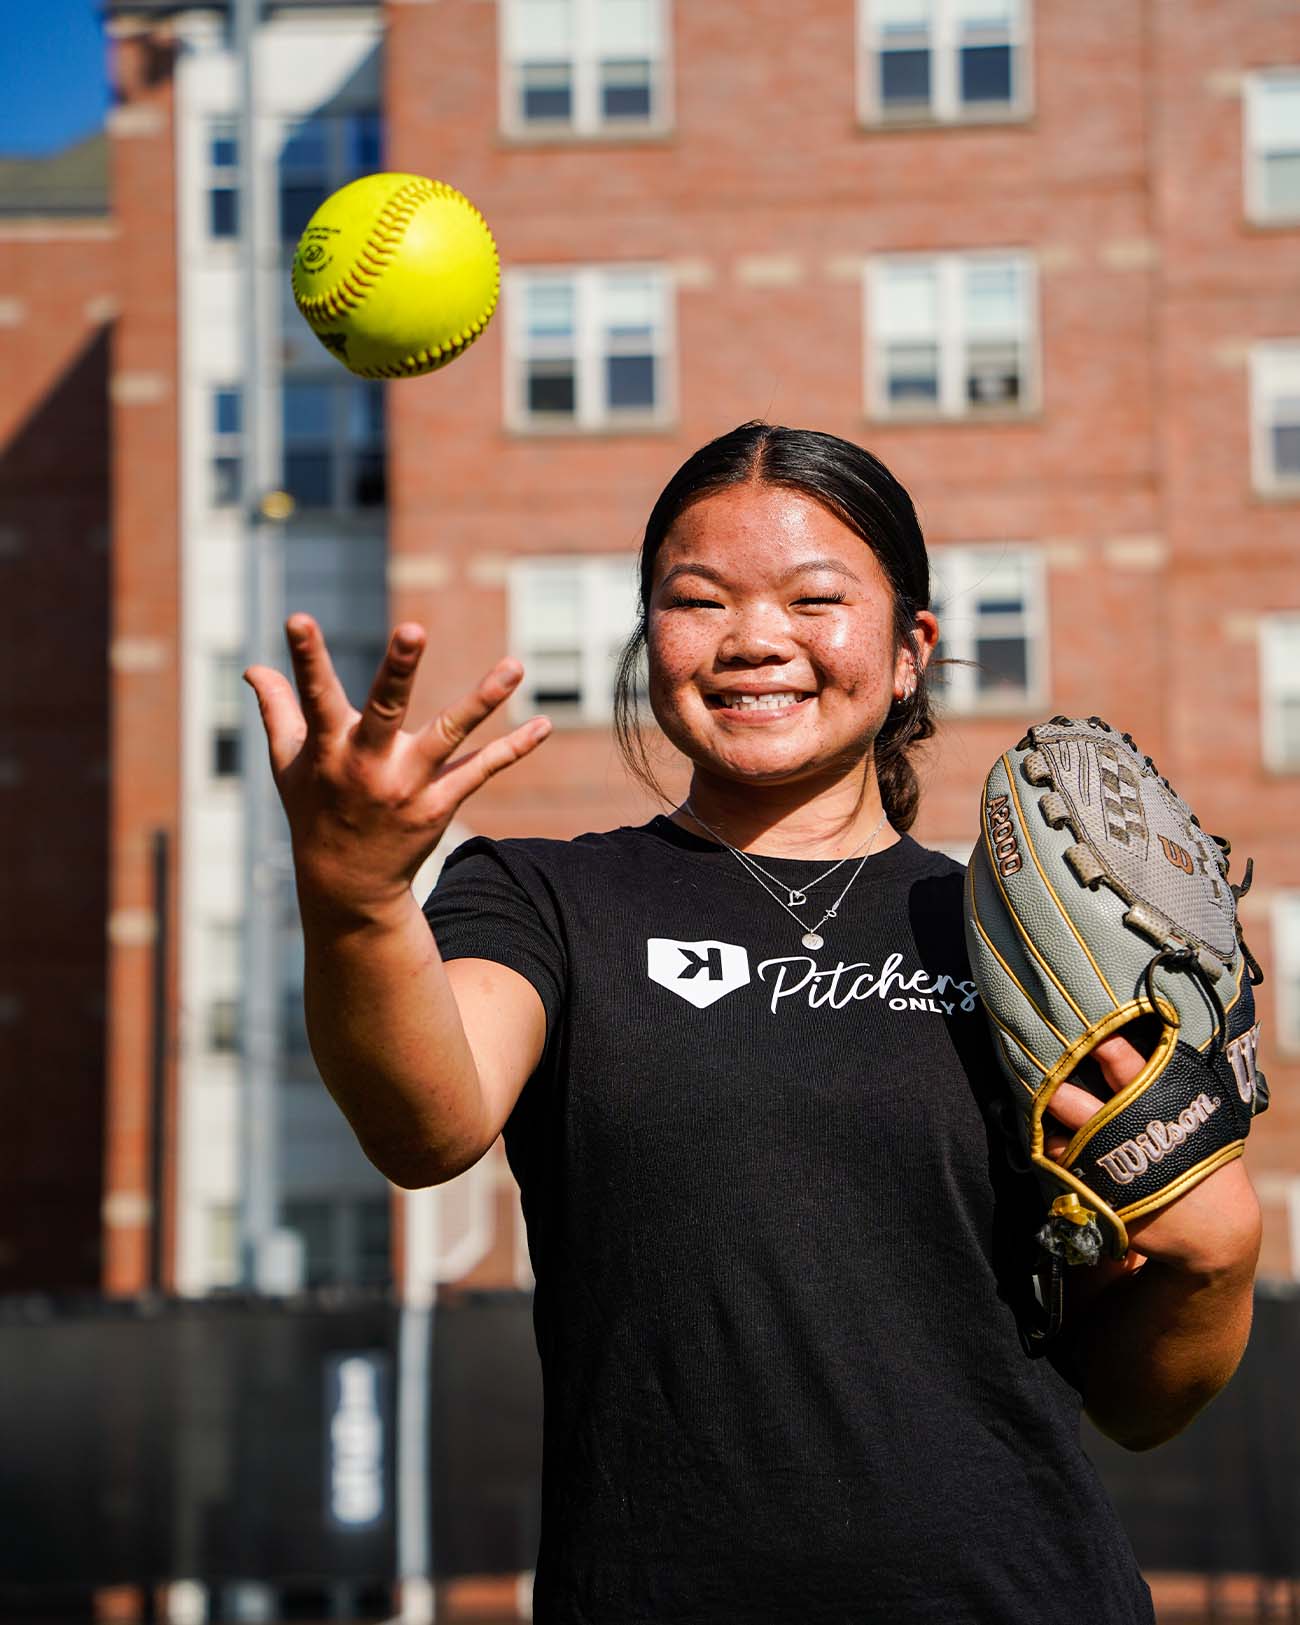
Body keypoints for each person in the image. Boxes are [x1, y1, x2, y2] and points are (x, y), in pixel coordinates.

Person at [247, 422, 1261, 1623]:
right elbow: (428, 1125)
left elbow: (1136, 1403)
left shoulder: (1023, 943)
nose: (754, 639)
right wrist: (358, 896)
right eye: (696, 600)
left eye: (815, 597)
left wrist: (1219, 1254)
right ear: (649, 638)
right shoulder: (548, 898)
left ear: (907, 650)